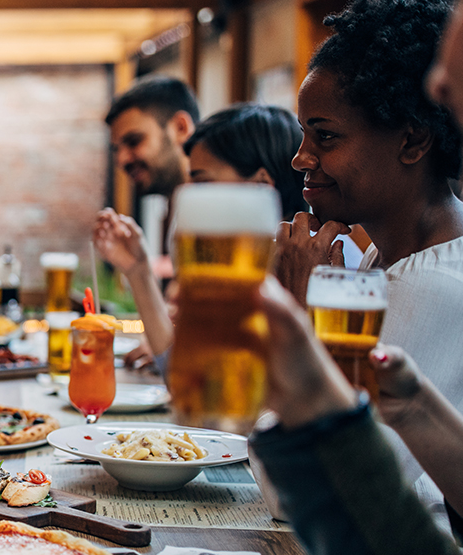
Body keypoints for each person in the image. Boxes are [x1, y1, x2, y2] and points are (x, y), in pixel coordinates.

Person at [274, 0, 463, 416]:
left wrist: (298, 311)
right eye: (304, 135)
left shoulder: (433, 288)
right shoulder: (387, 256)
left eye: (325, 136)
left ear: (412, 142)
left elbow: (340, 475)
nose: (300, 159)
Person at [94, 103, 305, 360]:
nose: (188, 195)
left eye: (202, 181)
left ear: (260, 186)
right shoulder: (234, 271)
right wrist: (138, 270)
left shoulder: (307, 272)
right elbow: (183, 369)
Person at [105, 75, 200, 260]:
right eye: (116, 149)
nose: (121, 160)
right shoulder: (177, 205)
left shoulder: (215, 212)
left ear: (180, 128)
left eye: (134, 141)